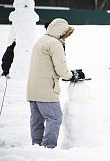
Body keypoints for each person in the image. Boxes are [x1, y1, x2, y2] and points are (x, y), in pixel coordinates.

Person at [27, 18, 85, 148]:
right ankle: (48, 148)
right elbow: (61, 69)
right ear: (61, 31)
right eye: (65, 33)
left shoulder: (40, 41)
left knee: (37, 120)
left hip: (33, 89)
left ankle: (35, 147)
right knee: (55, 118)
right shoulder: (54, 44)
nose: (66, 36)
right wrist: (73, 75)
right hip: (46, 89)